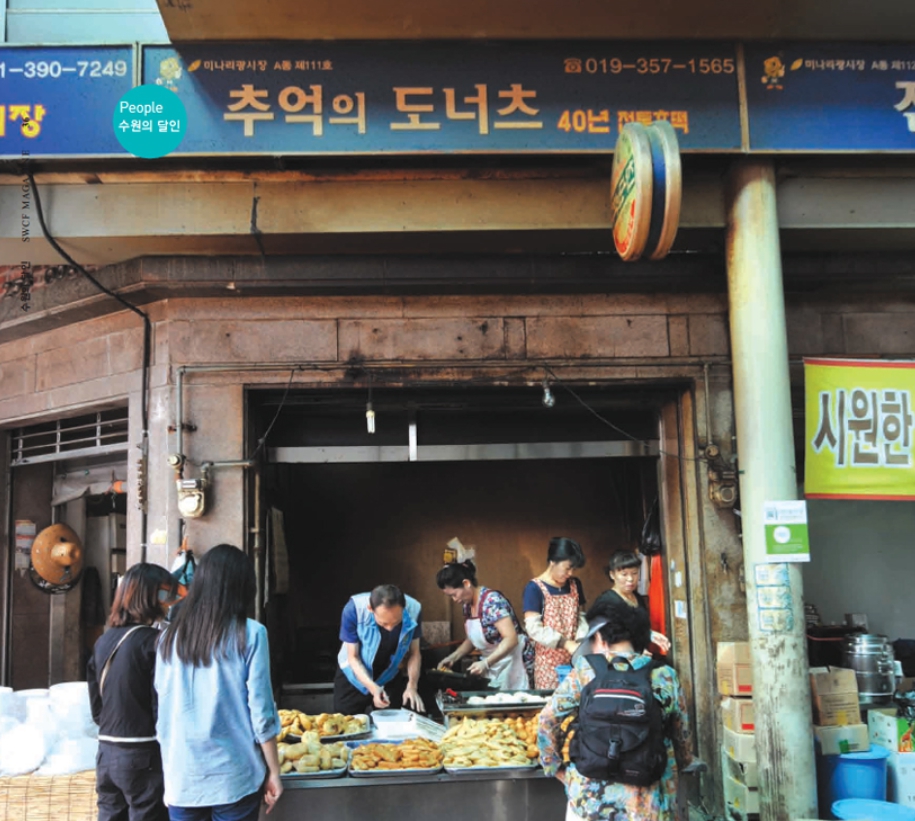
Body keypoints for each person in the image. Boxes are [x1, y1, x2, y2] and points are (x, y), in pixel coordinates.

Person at [156, 544, 283, 821]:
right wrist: (274, 770)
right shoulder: (251, 633)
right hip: (233, 776)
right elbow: (260, 711)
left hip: (182, 776)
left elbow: (163, 706)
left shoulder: (168, 638)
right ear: (244, 587)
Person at [537, 603, 693, 821]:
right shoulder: (665, 675)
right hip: (649, 803)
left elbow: (547, 719)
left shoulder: (585, 671)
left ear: (601, 638)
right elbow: (681, 737)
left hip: (591, 801)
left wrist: (555, 768)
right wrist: (681, 764)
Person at [87, 563, 177, 821]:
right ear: (150, 597)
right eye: (164, 594)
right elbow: (162, 705)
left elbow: (96, 707)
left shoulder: (104, 641)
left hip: (106, 751)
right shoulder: (155, 642)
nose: (168, 602)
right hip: (143, 752)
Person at [436, 558, 534, 690]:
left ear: (466, 583)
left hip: (513, 661)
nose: (454, 600)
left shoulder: (492, 601)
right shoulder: (467, 606)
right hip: (494, 663)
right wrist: (453, 657)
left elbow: (511, 639)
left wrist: (486, 663)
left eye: (454, 594)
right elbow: (472, 639)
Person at [335, 583, 425, 714]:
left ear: (404, 608)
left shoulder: (414, 609)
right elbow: (353, 657)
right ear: (370, 609)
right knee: (346, 721)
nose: (390, 628)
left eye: (396, 622)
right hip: (354, 673)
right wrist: (374, 689)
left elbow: (414, 653)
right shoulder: (354, 609)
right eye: (384, 623)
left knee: (393, 721)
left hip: (388, 673)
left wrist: (412, 686)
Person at [523, 537, 589, 689]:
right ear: (553, 562)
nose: (570, 573)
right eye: (567, 568)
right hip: (548, 665)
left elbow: (581, 617)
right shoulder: (534, 588)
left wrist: (580, 641)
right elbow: (534, 629)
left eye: (573, 569)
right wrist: (565, 643)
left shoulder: (575, 584)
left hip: (575, 658)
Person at [589, 550, 671, 654]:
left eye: (635, 573)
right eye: (624, 574)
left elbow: (638, 629)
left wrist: (650, 635)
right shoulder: (605, 603)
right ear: (612, 575)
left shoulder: (637, 598)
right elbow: (606, 639)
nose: (630, 579)